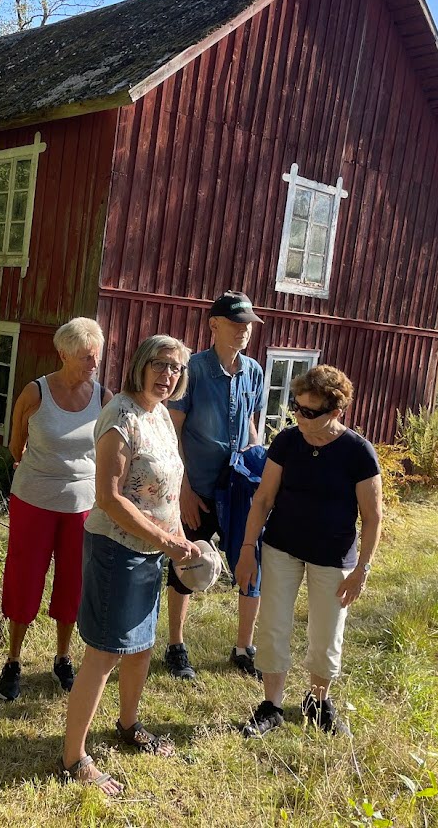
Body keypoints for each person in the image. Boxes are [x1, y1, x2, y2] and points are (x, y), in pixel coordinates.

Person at [60, 335, 203, 796]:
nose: (168, 376)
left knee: (140, 646)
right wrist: (164, 539)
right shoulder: (120, 415)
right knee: (104, 653)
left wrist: (177, 537)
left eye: (176, 369)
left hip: (152, 550)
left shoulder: (159, 414)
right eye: (160, 365)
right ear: (140, 365)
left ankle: (127, 725)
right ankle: (73, 757)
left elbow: (164, 489)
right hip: (117, 549)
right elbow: (109, 496)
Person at [235, 365, 382, 738]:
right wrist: (248, 549)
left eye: (309, 411)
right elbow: (264, 498)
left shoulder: (358, 452)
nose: (299, 416)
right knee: (273, 625)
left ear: (336, 412)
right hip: (282, 546)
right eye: (296, 408)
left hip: (334, 556)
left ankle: (318, 702)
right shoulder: (287, 441)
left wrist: (362, 570)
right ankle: (271, 706)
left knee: (327, 632)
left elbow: (373, 516)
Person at [0, 318, 113, 701]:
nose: (93, 364)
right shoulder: (36, 393)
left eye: (96, 356)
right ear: (63, 354)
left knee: (72, 582)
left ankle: (63, 658)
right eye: (85, 357)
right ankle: (13, 660)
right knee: (24, 578)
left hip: (83, 506)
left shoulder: (103, 398)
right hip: (34, 500)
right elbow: (16, 446)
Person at [166, 291, 266, 680]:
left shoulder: (254, 371)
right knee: (185, 563)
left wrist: (258, 465)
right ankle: (176, 647)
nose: (244, 331)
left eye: (248, 325)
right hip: (199, 488)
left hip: (240, 489)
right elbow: (173, 432)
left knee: (249, 564)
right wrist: (184, 489)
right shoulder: (191, 369)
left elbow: (251, 427)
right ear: (214, 325)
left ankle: (244, 648)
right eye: (236, 323)